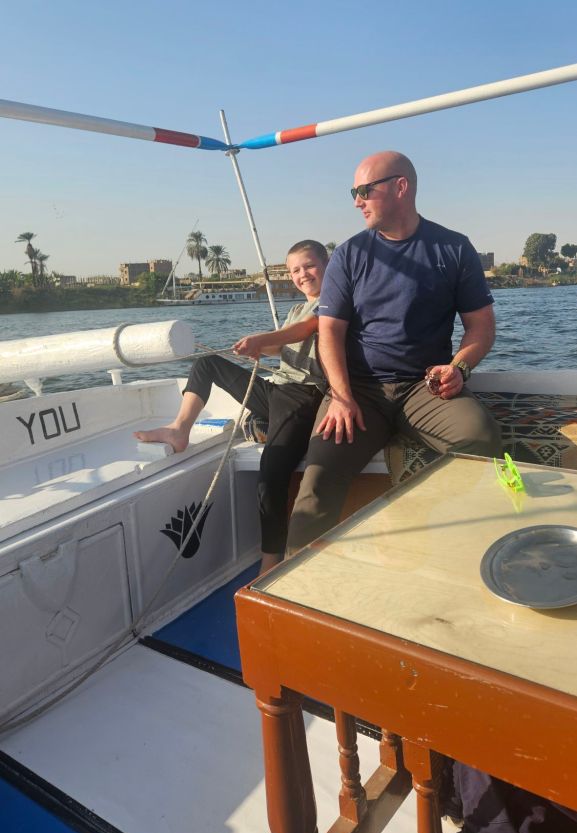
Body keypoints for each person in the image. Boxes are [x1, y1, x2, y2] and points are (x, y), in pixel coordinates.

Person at [287, 150, 503, 552]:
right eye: (354, 192)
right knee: (317, 480)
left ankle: (417, 520)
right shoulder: (349, 255)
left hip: (425, 387)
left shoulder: (453, 248)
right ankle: (294, 582)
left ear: (401, 187)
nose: (357, 201)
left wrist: (459, 368)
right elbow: (329, 333)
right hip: (360, 391)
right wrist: (341, 396)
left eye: (364, 190)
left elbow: (481, 327)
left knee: (481, 438)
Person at [135, 240, 328, 572]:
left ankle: (271, 562)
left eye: (309, 266)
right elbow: (283, 346)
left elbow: (305, 330)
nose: (302, 274)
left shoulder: (333, 302)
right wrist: (257, 348)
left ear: (327, 265)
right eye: (295, 270)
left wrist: (263, 339)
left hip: (304, 395)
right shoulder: (297, 308)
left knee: (271, 472)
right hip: (277, 390)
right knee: (207, 363)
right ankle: (179, 429)